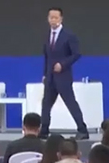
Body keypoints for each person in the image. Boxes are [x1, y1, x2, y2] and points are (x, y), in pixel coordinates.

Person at [39, 7, 88, 139]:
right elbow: (47, 57)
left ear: (61, 19)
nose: (53, 20)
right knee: (46, 104)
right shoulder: (47, 35)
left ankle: (82, 130)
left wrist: (63, 64)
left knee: (70, 103)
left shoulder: (69, 35)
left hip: (63, 77)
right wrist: (45, 74)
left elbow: (76, 54)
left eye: (56, 18)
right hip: (50, 77)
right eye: (51, 17)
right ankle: (44, 131)